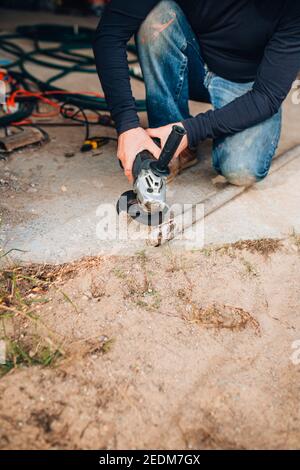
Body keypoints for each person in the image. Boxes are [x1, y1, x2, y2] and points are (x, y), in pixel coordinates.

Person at [93, 0, 300, 185]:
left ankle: (178, 135)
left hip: (247, 83)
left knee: (241, 170)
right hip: (192, 61)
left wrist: (192, 129)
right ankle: (172, 142)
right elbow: (110, 34)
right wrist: (127, 125)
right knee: (157, 18)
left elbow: (266, 96)